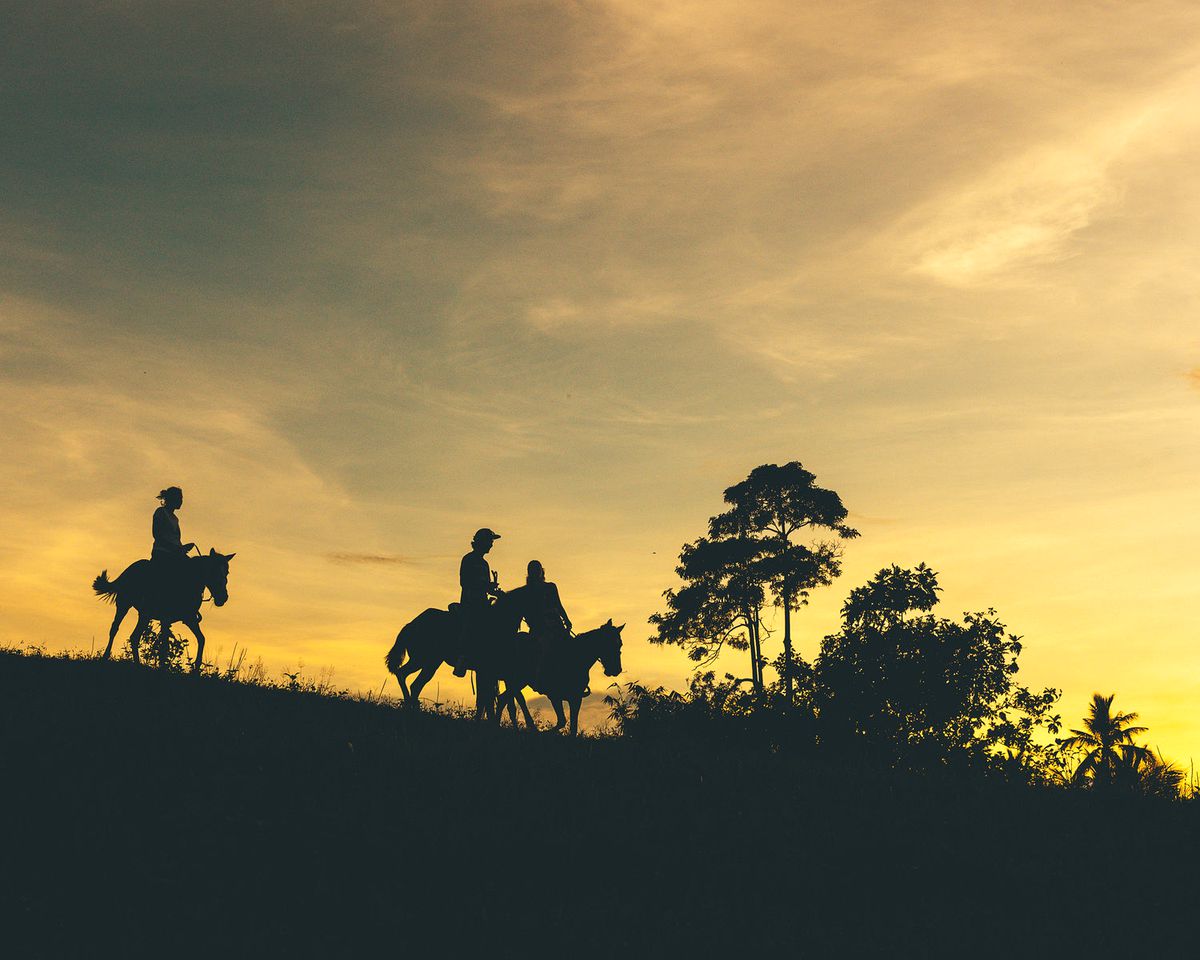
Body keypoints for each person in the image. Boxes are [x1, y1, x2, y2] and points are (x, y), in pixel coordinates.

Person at [453, 528, 502, 677]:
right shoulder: (468, 559)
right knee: (471, 624)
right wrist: (485, 586)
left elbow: (487, 588)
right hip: (470, 603)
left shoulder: (484, 564)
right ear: (482, 542)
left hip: (482, 603)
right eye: (490, 541)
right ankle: (462, 657)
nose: (492, 545)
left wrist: (497, 592)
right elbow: (464, 582)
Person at [522, 560, 572, 657]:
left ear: (541, 571)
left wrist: (566, 619)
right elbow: (527, 613)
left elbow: (558, 605)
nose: (536, 572)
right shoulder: (527, 591)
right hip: (539, 627)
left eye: (537, 569)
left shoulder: (551, 587)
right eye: (533, 570)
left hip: (556, 624)